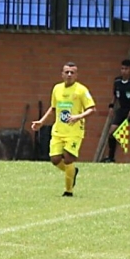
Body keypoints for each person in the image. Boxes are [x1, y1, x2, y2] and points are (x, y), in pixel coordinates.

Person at [31, 62, 96, 197]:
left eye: (72, 72)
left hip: (74, 131)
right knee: (55, 159)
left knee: (68, 159)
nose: (69, 75)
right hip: (58, 131)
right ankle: (72, 172)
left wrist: (78, 116)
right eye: (67, 72)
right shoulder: (57, 89)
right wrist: (41, 122)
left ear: (76, 75)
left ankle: (68, 191)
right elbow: (53, 107)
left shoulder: (81, 90)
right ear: (62, 74)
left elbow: (92, 109)